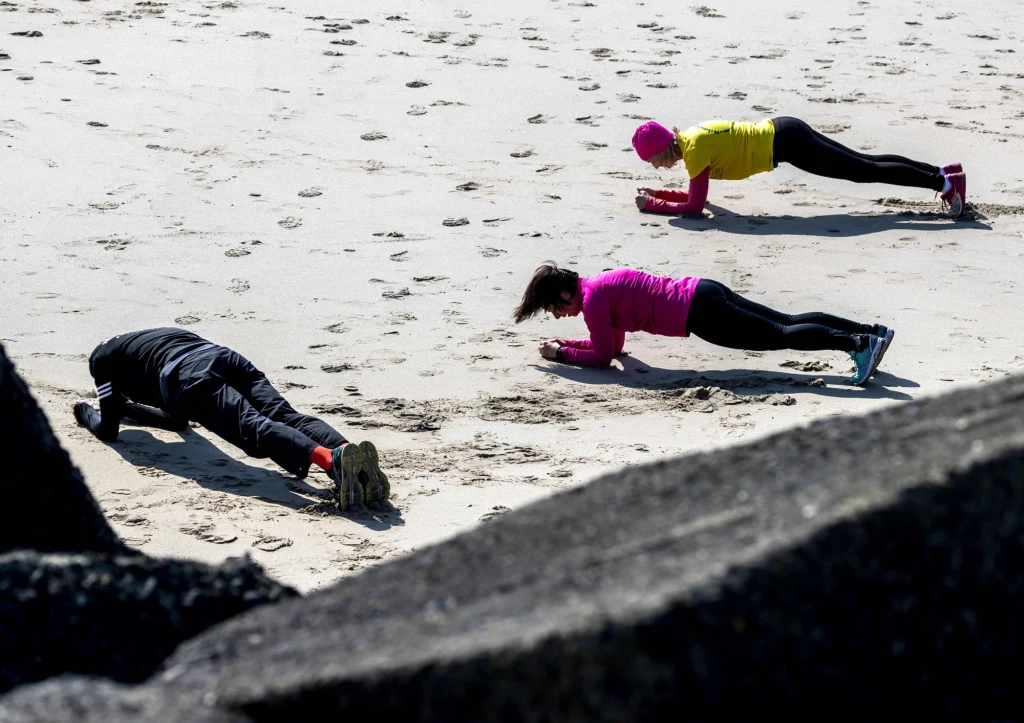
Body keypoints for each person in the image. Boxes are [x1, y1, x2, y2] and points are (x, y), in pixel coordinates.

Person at [72, 328, 388, 511]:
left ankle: (332, 462)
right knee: (283, 414)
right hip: (223, 356)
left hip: (190, 379)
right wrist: (131, 409)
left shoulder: (100, 360)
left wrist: (88, 414)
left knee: (253, 428)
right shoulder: (143, 340)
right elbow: (176, 422)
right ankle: (351, 456)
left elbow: (109, 428)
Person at [514, 263, 895, 386]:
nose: (558, 315)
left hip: (698, 315)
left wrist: (561, 352)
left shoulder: (593, 301)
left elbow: (602, 359)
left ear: (564, 295)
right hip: (703, 290)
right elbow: (612, 347)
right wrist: (569, 343)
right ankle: (871, 332)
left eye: (552, 309)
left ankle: (858, 346)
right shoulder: (599, 284)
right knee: (786, 320)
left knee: (779, 336)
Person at [631, 118, 966, 218]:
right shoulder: (691, 140)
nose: (656, 167)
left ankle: (944, 185)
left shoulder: (695, 151)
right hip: (786, 130)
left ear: (662, 148)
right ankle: (944, 173)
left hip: (788, 144)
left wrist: (653, 205)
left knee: (864, 170)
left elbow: (696, 206)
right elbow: (698, 196)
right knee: (867, 162)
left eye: (653, 160)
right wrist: (657, 192)